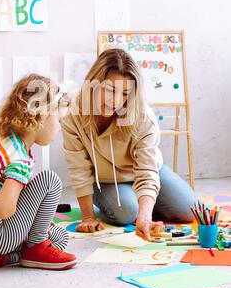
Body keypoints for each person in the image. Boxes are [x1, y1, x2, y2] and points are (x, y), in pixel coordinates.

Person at [61, 48, 197, 241]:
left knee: (191, 211)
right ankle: (138, 203)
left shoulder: (143, 116)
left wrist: (145, 217)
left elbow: (147, 170)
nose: (115, 101)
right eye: (109, 90)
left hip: (141, 172)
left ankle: (144, 202)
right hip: (105, 180)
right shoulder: (72, 111)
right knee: (126, 213)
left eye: (125, 93)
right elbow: (78, 168)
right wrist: (88, 217)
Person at [0, 74, 77, 273]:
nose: (60, 128)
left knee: (60, 236)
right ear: (40, 116)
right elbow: (2, 210)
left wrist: (33, 216)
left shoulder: (6, 142)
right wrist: (29, 216)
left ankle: (1, 259)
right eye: (59, 120)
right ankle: (34, 249)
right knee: (50, 180)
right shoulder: (19, 160)